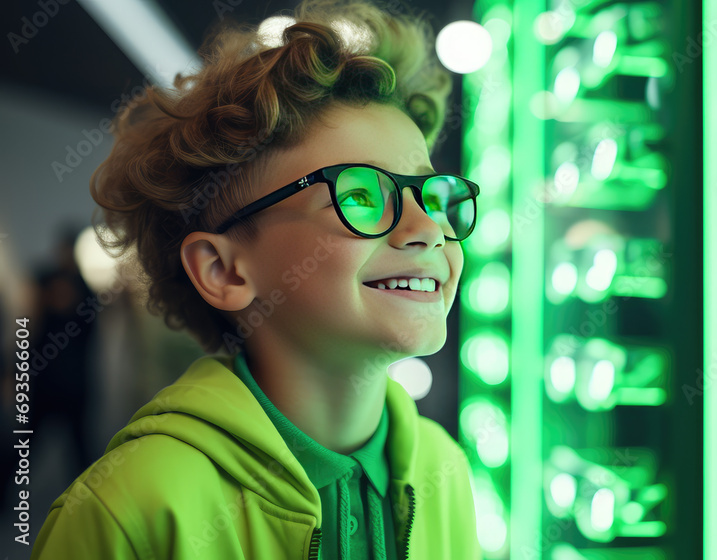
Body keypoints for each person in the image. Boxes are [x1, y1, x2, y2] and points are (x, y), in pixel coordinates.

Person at [30, 0, 481, 558]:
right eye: (361, 195)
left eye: (435, 196)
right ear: (224, 270)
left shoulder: (446, 468)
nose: (428, 229)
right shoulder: (129, 509)